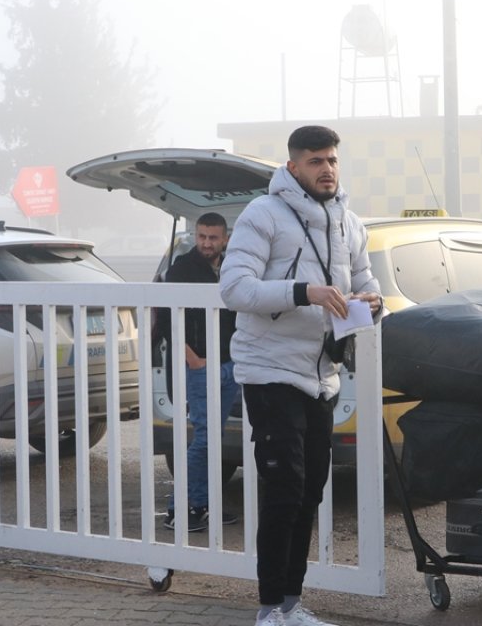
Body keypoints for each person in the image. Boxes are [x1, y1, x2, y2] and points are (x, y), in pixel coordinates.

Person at [220, 125, 383, 626]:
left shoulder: (349, 223)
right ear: (293, 167)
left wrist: (372, 302)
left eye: (331, 159)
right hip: (270, 372)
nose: (327, 168)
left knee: (311, 490)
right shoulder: (262, 214)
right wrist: (304, 292)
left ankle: (292, 604)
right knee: (284, 489)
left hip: (322, 377)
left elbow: (365, 282)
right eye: (315, 161)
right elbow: (235, 288)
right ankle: (269, 609)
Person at [160, 211, 241, 529]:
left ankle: (201, 506)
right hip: (199, 367)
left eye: (213, 238)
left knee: (213, 440)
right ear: (195, 235)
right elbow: (168, 319)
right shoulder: (182, 269)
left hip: (229, 366)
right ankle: (177, 509)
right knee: (205, 439)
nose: (206, 243)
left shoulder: (232, 267)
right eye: (202, 236)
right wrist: (191, 358)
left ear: (225, 239)